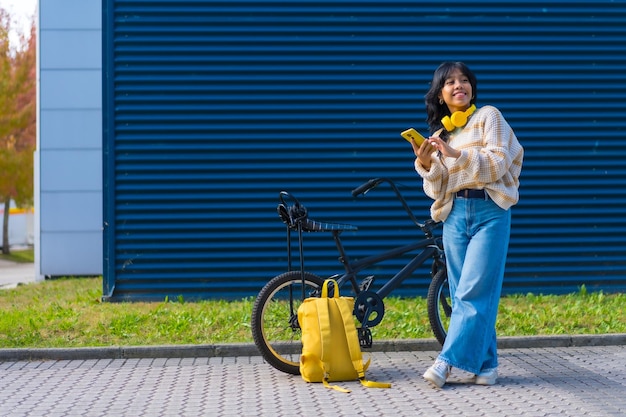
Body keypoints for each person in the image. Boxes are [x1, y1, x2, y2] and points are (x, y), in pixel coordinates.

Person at [410, 62, 524, 388]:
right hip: (455, 215)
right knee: (464, 294)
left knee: (474, 290)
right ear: (441, 95)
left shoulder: (489, 116)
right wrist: (427, 163)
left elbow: (499, 163)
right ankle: (487, 365)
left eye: (464, 80)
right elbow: (436, 189)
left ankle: (446, 362)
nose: (458, 85)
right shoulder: (442, 134)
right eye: (449, 82)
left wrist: (456, 155)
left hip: (490, 211)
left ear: (472, 87)